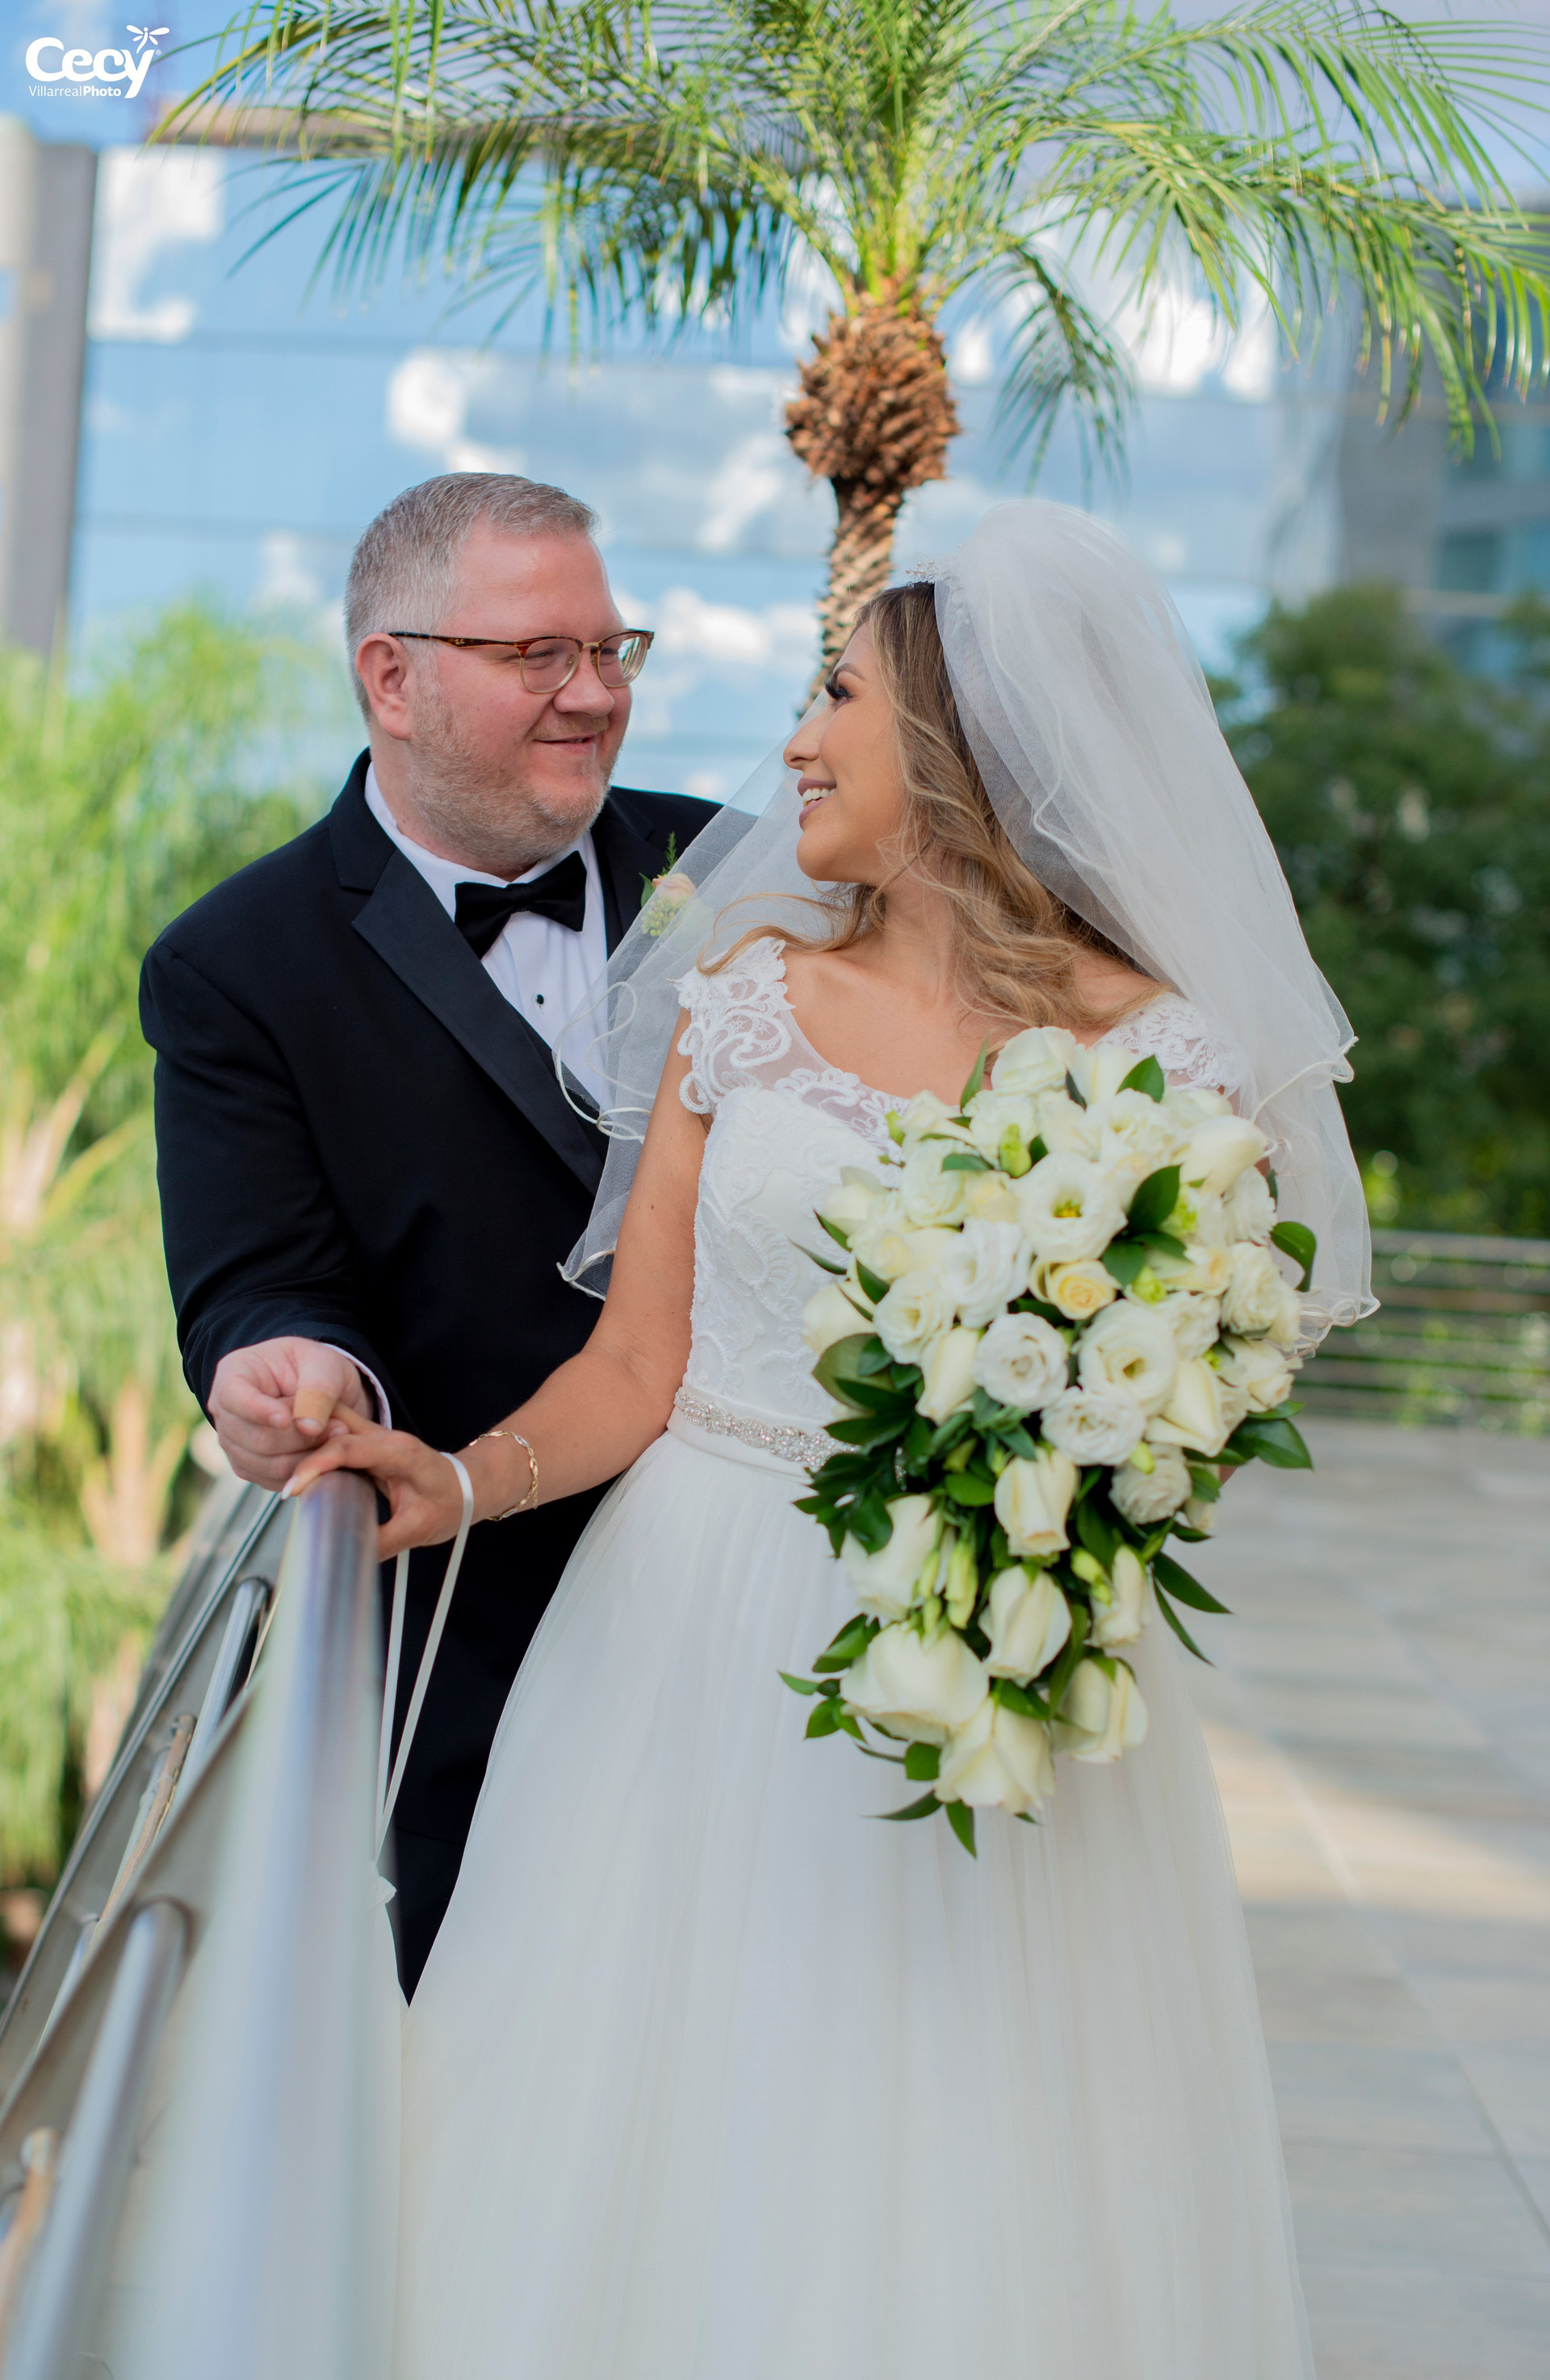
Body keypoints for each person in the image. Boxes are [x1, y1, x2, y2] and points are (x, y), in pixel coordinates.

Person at [289, 501, 1368, 2378]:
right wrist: (456, 1481)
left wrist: (1061, 1485)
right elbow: (634, 1369)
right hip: (676, 1642)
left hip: (983, 1639)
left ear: (956, 743)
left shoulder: (1175, 1071)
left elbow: (1191, 1412)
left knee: (958, 2135)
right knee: (634, 2136)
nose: (792, 740)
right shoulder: (739, 1002)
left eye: (836, 696)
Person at [139, 472, 717, 1992]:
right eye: (539, 655)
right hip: (478, 1643)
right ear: (391, 678)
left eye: (612, 650)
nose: (595, 694)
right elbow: (262, 1280)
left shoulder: (738, 873)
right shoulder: (235, 964)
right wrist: (283, 1367)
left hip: (774, 1604)